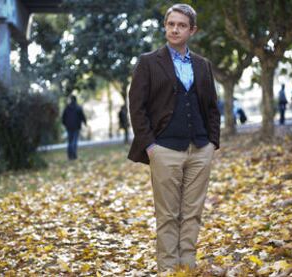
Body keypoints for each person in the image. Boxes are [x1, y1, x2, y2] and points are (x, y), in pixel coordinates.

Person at [128, 4, 220, 274]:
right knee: (167, 216)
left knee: (192, 214)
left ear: (192, 30)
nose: (175, 29)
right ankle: (168, 270)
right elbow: (137, 107)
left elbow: (213, 108)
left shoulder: (203, 65)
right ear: (165, 26)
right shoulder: (148, 62)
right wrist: (150, 147)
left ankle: (187, 267)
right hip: (163, 150)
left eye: (181, 25)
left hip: (200, 149)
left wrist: (212, 143)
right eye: (171, 24)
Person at [61, 95, 86, 160]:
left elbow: (63, 117)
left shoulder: (67, 108)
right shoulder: (78, 107)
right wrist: (85, 122)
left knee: (69, 141)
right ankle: (74, 155)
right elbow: (82, 116)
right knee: (74, 141)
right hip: (76, 126)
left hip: (69, 126)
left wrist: (65, 124)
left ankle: (70, 155)